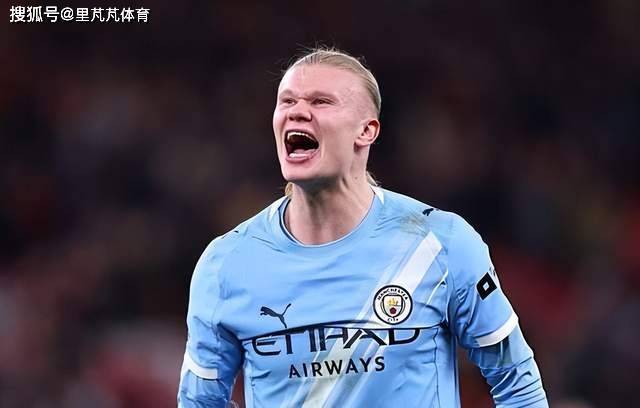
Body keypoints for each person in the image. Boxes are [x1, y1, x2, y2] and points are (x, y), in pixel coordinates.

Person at [177, 47, 548, 407]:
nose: (297, 112)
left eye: (321, 102)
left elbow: (517, 383)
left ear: (366, 131)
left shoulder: (440, 243)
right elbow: (199, 402)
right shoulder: (226, 264)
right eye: (287, 101)